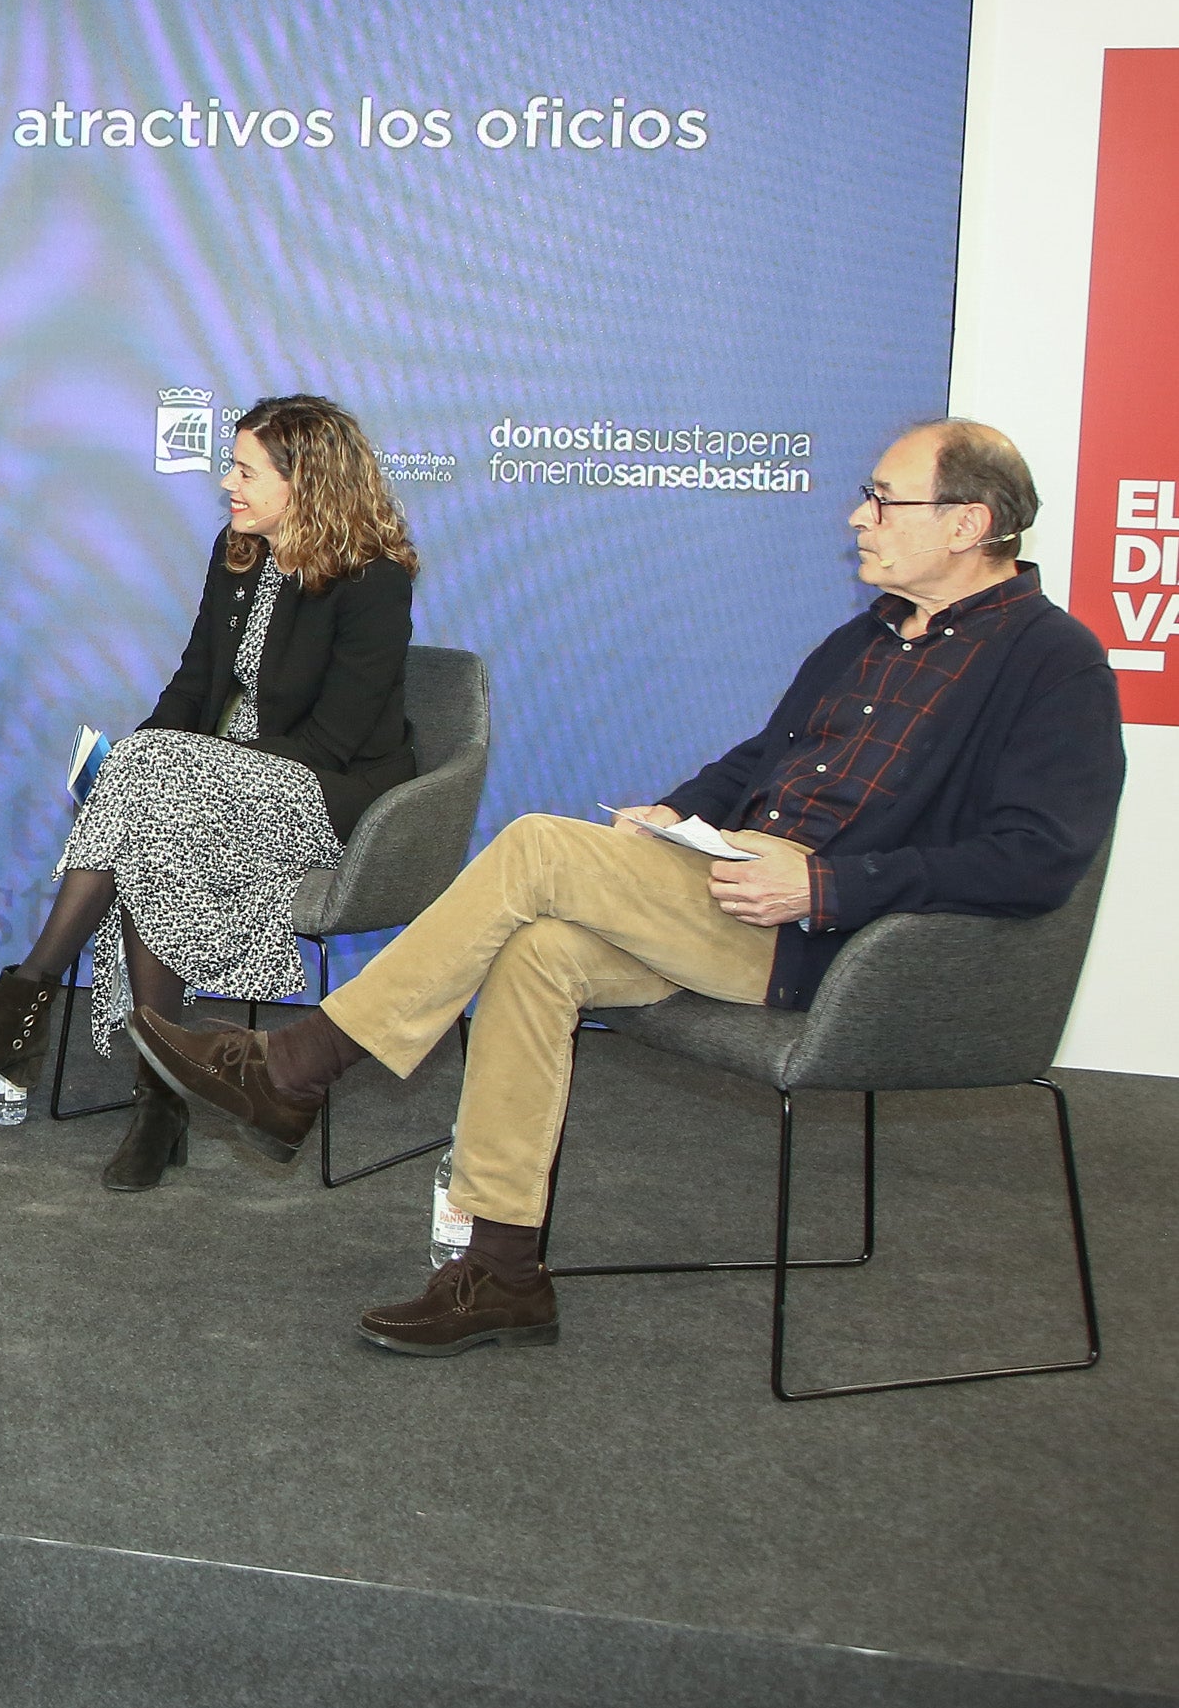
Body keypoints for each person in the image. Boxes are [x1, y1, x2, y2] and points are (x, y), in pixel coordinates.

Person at [137, 418, 1125, 1355]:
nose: (857, 516)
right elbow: (761, 759)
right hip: (730, 894)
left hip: (843, 943)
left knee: (534, 848)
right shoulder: (867, 638)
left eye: (883, 499)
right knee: (537, 951)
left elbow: (1037, 857)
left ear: (968, 523)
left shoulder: (1053, 662)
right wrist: (677, 812)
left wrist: (828, 883)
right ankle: (504, 1269)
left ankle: (297, 1066)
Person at [0, 394, 416, 1189]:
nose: (226, 484)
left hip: (328, 795)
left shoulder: (371, 580)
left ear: (305, 482)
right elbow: (194, 682)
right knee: (149, 808)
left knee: (155, 791)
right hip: (218, 778)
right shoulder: (237, 552)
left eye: (244, 470)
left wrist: (178, 767)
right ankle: (158, 1100)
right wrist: (150, 753)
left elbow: (331, 742)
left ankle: (25, 1005)